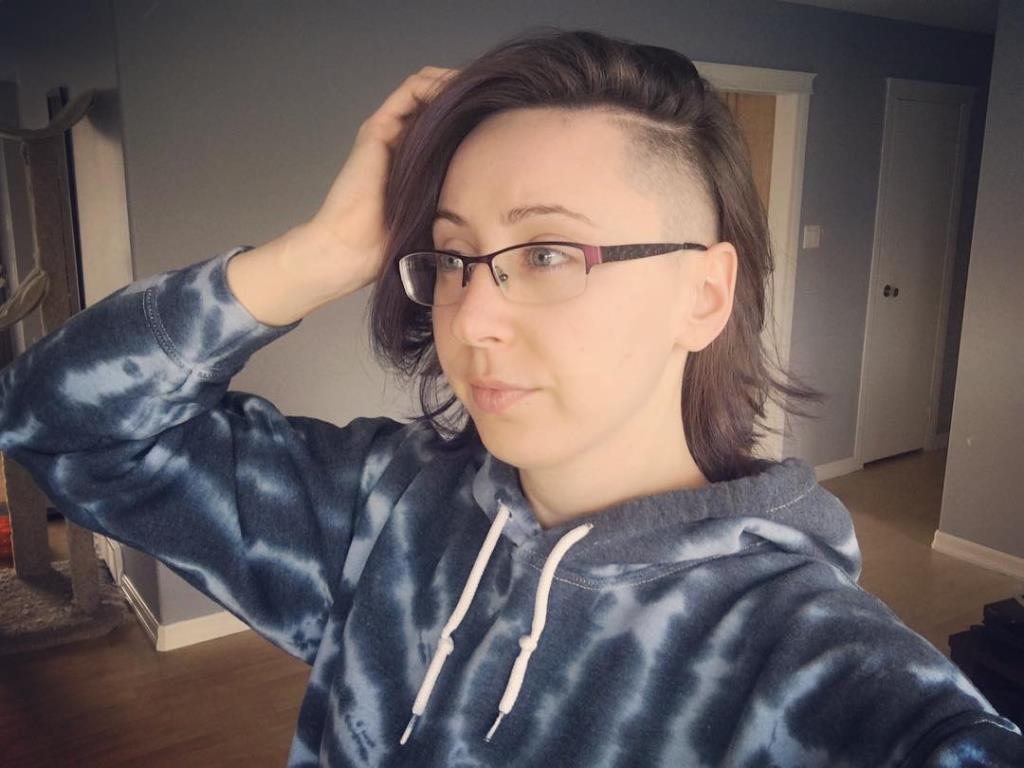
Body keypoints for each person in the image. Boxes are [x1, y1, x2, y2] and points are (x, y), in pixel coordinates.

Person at [1, 27, 1021, 768]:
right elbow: (59, 425)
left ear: (704, 295)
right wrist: (323, 252)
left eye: (547, 252)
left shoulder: (817, 677)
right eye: (452, 256)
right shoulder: (379, 513)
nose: (472, 318)